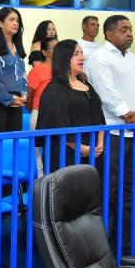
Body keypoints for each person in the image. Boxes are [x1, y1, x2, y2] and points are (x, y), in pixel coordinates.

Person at [87, 14, 135, 256]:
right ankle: (104, 250)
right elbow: (108, 95)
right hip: (112, 135)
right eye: (124, 29)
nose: (129, 33)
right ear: (109, 34)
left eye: (131, 29)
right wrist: (132, 117)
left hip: (134, 135)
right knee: (109, 192)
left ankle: (126, 246)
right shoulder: (100, 58)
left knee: (128, 190)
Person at [36, 39, 105, 173]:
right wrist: (82, 149)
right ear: (64, 58)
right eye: (76, 54)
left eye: (82, 53)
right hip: (66, 155)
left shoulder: (86, 84)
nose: (81, 57)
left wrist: (100, 142)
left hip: (94, 151)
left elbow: (99, 115)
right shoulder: (54, 90)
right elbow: (58, 126)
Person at [27, 37, 58, 130]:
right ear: (44, 52)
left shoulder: (63, 70)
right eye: (54, 48)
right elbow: (29, 96)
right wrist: (34, 111)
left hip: (59, 116)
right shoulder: (37, 69)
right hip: (40, 115)